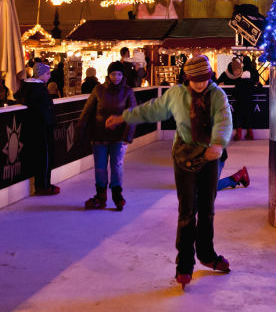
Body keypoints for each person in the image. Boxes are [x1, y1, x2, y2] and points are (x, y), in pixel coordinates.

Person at [107, 55, 232, 285]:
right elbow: (152, 110)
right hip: (184, 156)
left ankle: (206, 254)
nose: (201, 84)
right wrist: (124, 117)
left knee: (207, 208)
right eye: (196, 80)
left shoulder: (217, 95)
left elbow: (223, 119)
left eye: (204, 79)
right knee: (187, 210)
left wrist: (217, 143)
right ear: (188, 78)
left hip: (209, 157)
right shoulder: (177, 94)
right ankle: (184, 264)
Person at [79, 64, 138, 210]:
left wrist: (127, 137)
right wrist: (79, 131)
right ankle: (100, 196)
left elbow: (133, 115)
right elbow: (87, 112)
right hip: (99, 135)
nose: (116, 77)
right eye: (113, 74)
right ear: (108, 75)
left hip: (118, 137)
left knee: (116, 166)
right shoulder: (98, 90)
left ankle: (117, 194)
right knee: (100, 167)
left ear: (123, 76)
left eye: (119, 74)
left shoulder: (127, 92)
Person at [17, 61, 60, 196]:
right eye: (48, 73)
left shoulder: (27, 88)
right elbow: (43, 109)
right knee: (45, 156)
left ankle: (42, 184)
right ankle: (44, 185)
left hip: (35, 127)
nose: (49, 76)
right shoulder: (39, 89)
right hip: (42, 127)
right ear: (41, 74)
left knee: (39, 156)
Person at [218, 56, 260, 140]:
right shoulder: (249, 83)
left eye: (238, 70)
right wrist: (260, 85)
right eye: (235, 70)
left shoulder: (239, 83)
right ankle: (249, 134)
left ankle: (239, 134)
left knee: (238, 119)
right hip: (248, 103)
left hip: (239, 103)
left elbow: (234, 92)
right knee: (248, 119)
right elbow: (256, 89)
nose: (237, 72)